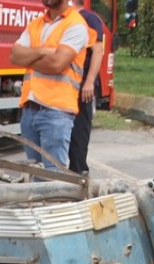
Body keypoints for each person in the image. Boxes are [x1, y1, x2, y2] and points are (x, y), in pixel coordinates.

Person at [9, 0, 90, 172]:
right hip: (30, 110)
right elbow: (15, 56)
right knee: (34, 171)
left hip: (56, 111)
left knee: (54, 176)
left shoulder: (76, 24)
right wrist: (42, 52)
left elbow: (56, 64)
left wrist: (29, 58)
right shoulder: (36, 24)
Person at [68, 2, 105, 175]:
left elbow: (98, 51)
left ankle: (79, 171)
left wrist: (89, 81)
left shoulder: (90, 19)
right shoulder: (67, 19)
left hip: (84, 86)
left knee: (79, 132)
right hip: (69, 84)